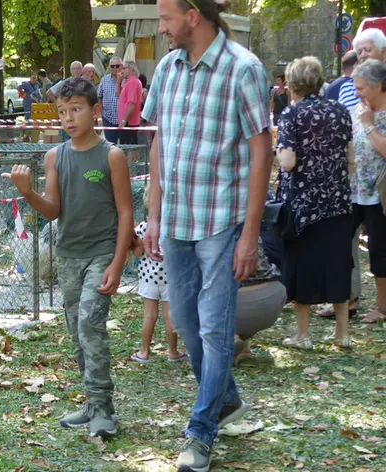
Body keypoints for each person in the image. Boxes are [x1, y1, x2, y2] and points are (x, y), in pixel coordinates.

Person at [141, 1, 272, 470]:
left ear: (193, 14)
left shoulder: (244, 68)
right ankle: (229, 401)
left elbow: (262, 152)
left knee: (215, 331)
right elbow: (158, 143)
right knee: (186, 324)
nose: (160, 27)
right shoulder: (167, 67)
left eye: (165, 17)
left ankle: (200, 431)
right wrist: (154, 214)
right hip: (175, 220)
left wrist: (249, 234)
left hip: (221, 221)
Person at [3, 77, 133, 439]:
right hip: (68, 256)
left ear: (94, 111)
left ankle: (104, 408)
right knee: (77, 332)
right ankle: (91, 403)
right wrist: (27, 192)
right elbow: (52, 210)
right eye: (62, 111)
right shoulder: (54, 156)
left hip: (102, 253)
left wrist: (117, 263)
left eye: (76, 109)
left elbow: (125, 213)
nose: (68, 117)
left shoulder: (112, 156)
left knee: (91, 324)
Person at [274, 57, 353, 349]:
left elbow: (289, 162)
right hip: (338, 201)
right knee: (337, 264)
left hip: (305, 205)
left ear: (293, 85)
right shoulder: (341, 111)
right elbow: (350, 158)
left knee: (302, 266)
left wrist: (278, 150)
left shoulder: (291, 116)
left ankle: (303, 335)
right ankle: (342, 333)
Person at [130, 183, 186, 364]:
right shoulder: (176, 228)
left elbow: (138, 254)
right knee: (170, 315)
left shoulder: (142, 229)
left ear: (147, 201)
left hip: (148, 279)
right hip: (171, 279)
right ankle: (173, 351)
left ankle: (144, 352)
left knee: (149, 315)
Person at [348, 59, 386, 324]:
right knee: (341, 244)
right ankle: (346, 301)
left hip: (380, 194)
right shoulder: (355, 111)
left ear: (378, 86)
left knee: (379, 251)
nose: (357, 93)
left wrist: (370, 124)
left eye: (360, 88)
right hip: (354, 191)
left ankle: (382, 307)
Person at [233, 237, 286, 364]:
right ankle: (244, 348)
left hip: (240, 306)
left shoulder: (208, 236)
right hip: (275, 296)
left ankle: (230, 339)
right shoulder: (251, 232)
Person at [338, 29, 386, 111]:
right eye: (359, 52)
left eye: (368, 50)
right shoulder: (347, 88)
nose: (363, 55)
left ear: (384, 53)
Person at [97, 56, 123, 143]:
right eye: (112, 66)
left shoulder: (126, 79)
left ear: (121, 66)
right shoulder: (104, 80)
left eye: (117, 65)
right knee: (110, 144)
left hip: (124, 118)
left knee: (126, 145)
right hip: (108, 117)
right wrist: (100, 113)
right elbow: (99, 96)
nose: (115, 68)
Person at [117, 61, 142, 144]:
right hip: (127, 122)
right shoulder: (128, 82)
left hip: (129, 123)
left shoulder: (133, 82)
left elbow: (131, 104)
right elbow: (117, 94)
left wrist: (124, 121)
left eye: (124, 68)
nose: (121, 71)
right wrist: (118, 81)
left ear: (131, 69)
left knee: (129, 150)